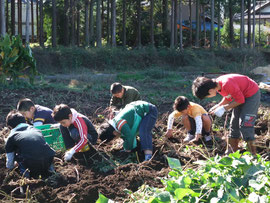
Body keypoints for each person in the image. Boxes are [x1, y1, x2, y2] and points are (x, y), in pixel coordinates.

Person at [192, 74, 260, 155]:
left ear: (210, 91)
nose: (209, 97)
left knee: (246, 125)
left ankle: (253, 154)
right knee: (234, 124)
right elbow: (228, 97)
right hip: (240, 95)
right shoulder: (218, 85)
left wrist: (224, 108)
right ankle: (231, 151)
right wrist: (218, 105)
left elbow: (240, 100)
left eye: (207, 96)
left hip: (251, 94)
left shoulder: (226, 84)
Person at [5, 110, 55, 178]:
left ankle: (27, 177)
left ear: (10, 127)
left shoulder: (11, 137)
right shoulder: (36, 130)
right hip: (48, 160)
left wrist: (12, 167)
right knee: (44, 153)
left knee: (18, 157)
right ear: (25, 121)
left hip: (31, 165)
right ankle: (52, 172)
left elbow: (10, 162)